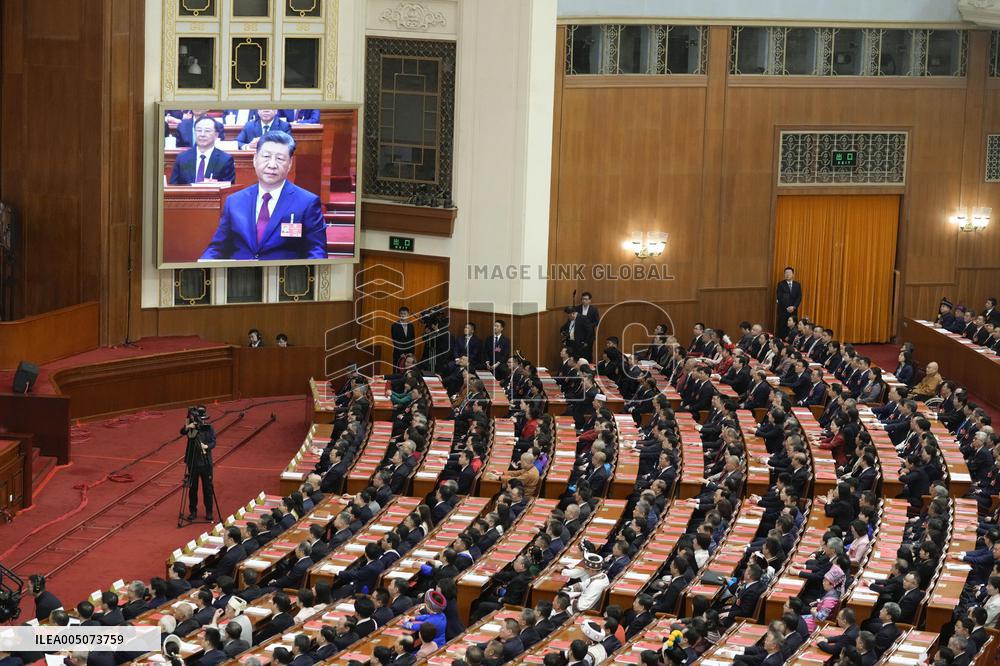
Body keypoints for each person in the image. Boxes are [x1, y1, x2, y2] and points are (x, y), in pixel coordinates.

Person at [200, 130, 327, 261]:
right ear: (255, 159)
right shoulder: (234, 201)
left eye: (280, 159)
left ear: (289, 164)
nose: (272, 165)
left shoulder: (307, 202)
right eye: (266, 157)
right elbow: (217, 248)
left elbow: (317, 251)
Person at [169, 116, 236, 185]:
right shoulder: (182, 158)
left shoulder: (225, 160)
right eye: (199, 130)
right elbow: (173, 186)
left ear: (216, 135)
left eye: (207, 131)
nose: (202, 134)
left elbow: (228, 189)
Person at [182, 405, 216, 521]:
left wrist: (206, 446)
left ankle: (209, 512)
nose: (201, 421)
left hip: (206, 463)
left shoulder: (209, 428)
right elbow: (182, 431)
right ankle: (193, 511)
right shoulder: (191, 427)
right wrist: (189, 424)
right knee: (193, 489)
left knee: (207, 488)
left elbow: (213, 442)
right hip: (193, 462)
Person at [775, 267, 802, 338]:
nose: (787, 274)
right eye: (786, 273)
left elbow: (799, 297)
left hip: (793, 311)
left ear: (793, 274)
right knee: (782, 327)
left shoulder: (797, 284)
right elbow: (779, 297)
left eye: (789, 273)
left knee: (793, 328)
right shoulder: (781, 284)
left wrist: (794, 307)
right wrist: (787, 307)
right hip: (783, 310)